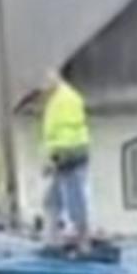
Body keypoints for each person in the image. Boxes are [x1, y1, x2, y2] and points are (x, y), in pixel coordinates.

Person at [40, 69, 91, 239]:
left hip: (68, 156)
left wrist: (56, 159)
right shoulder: (63, 98)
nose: (43, 88)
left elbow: (65, 134)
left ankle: (77, 233)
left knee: (72, 196)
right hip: (69, 154)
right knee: (53, 200)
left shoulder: (62, 100)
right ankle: (53, 235)